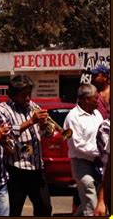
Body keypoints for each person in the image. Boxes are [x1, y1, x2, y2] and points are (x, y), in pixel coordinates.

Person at [0, 74, 52, 216]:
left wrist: (45, 126)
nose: (28, 98)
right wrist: (30, 122)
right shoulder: (3, 109)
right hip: (17, 169)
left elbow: (47, 134)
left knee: (45, 208)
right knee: (14, 210)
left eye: (29, 94)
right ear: (13, 95)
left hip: (37, 167)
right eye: (23, 95)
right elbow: (6, 135)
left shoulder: (33, 106)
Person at [64, 84, 103, 216]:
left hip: (98, 163)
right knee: (90, 202)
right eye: (95, 98)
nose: (98, 100)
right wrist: (102, 151)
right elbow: (78, 145)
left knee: (92, 202)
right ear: (86, 99)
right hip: (81, 163)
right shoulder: (73, 118)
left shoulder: (97, 114)